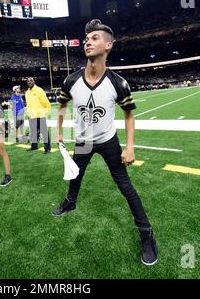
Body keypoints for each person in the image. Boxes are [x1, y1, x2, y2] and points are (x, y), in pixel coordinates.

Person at [53, 19, 158, 266]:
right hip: (83, 141)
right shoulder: (70, 81)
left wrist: (130, 146)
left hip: (108, 140)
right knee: (74, 176)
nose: (89, 41)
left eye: (95, 38)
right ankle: (70, 202)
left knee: (125, 186)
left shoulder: (118, 83)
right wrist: (58, 132)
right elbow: (61, 107)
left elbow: (129, 114)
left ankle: (146, 234)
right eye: (87, 38)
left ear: (108, 45)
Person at [25, 77, 51, 153]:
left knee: (44, 132)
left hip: (40, 115)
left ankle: (47, 148)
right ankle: (34, 146)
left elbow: (45, 102)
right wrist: (28, 114)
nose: (29, 82)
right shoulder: (27, 93)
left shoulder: (39, 90)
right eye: (28, 81)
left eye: (31, 81)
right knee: (33, 132)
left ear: (34, 81)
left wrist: (45, 112)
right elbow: (28, 105)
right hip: (32, 116)